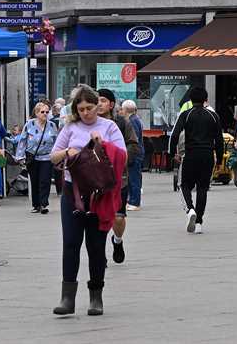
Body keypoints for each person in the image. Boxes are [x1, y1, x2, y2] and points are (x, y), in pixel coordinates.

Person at [50, 84, 126, 317]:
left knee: (95, 246)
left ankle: (96, 296)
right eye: (81, 109)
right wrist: (67, 152)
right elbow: (53, 156)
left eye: (90, 107)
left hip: (98, 194)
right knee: (71, 243)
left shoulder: (109, 126)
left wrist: (103, 144)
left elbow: (123, 156)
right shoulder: (70, 127)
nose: (86, 113)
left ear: (98, 106)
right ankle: (67, 298)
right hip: (73, 193)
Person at [168, 86, 223, 234]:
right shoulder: (213, 116)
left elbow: (174, 135)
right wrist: (219, 159)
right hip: (208, 156)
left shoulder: (186, 114)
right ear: (206, 99)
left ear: (190, 100)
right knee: (202, 188)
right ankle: (199, 222)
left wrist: (172, 152)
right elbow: (219, 139)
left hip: (190, 154)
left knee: (184, 185)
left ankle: (190, 210)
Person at [96, 90, 140, 260]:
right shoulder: (89, 123)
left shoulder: (122, 123)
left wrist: (121, 159)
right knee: (97, 217)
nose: (99, 104)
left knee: (118, 218)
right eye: (96, 100)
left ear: (112, 105)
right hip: (95, 179)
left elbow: (134, 145)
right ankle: (99, 252)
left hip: (118, 178)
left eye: (103, 100)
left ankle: (118, 240)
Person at [15, 100, 59, 213]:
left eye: (47, 112)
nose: (45, 114)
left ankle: (44, 204)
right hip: (32, 157)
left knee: (45, 181)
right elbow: (23, 140)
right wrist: (20, 156)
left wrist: (58, 155)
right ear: (37, 113)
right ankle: (36, 205)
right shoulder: (29, 124)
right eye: (42, 112)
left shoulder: (52, 125)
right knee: (34, 181)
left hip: (47, 157)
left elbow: (56, 142)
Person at [121, 100, 145, 209]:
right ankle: (132, 200)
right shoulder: (136, 119)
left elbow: (133, 139)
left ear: (125, 110)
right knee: (133, 178)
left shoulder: (132, 121)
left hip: (134, 154)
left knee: (133, 179)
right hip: (137, 152)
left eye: (122, 109)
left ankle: (135, 202)